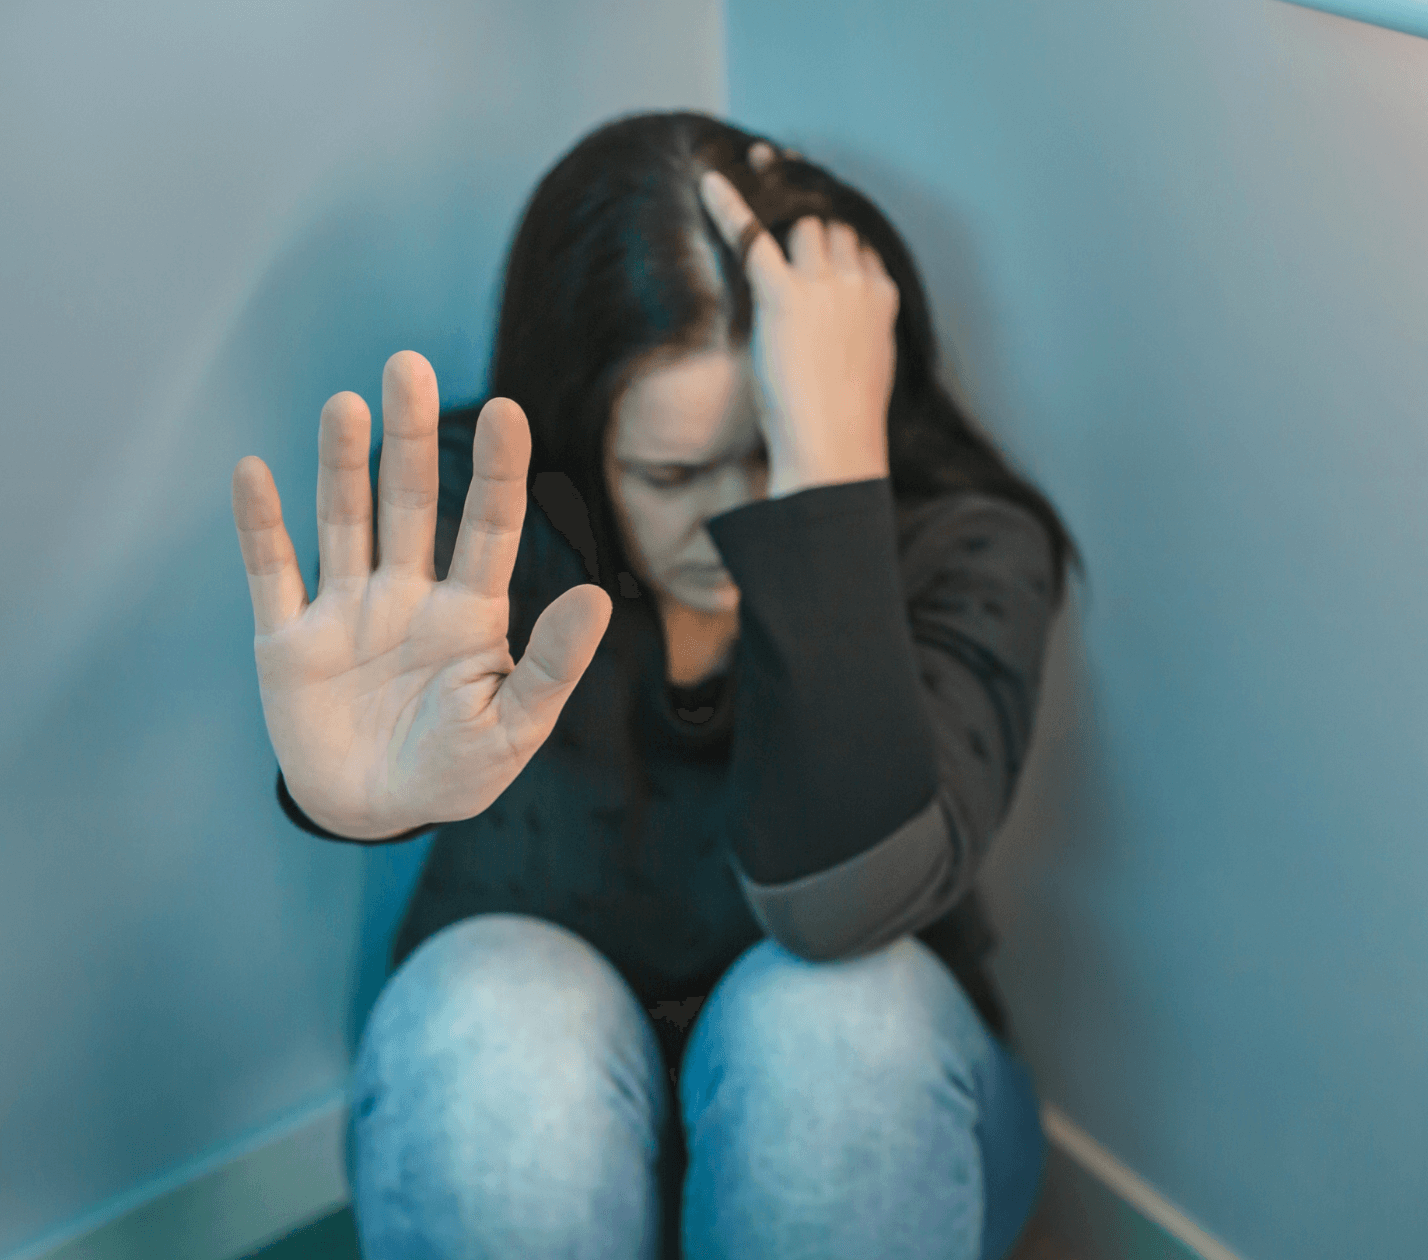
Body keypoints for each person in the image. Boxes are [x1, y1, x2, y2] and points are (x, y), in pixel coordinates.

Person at [228, 111, 1079, 1260]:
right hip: (543, 1149)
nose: (733, 524)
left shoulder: (965, 548)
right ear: (588, 432)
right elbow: (379, 744)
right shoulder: (487, 519)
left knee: (833, 1021)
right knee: (487, 1007)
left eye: (772, 448)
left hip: (873, 1143)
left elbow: (839, 904)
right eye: (674, 473)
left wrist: (829, 468)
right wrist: (339, 791)